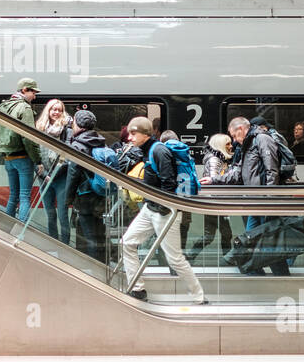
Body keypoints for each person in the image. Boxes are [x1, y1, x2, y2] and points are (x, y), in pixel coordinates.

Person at [118, 117, 206, 304]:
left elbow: (169, 182)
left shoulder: (158, 151)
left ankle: (199, 296)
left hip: (164, 211)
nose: (129, 138)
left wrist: (163, 208)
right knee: (127, 242)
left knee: (175, 259)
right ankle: (137, 288)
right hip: (151, 208)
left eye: (134, 134)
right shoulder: (147, 150)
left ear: (145, 134)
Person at [64, 109, 110, 264]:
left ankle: (94, 267)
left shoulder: (78, 145)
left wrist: (68, 197)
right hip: (99, 193)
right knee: (99, 231)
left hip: (84, 195)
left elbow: (73, 173)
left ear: (79, 125)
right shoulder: (100, 141)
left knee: (88, 234)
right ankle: (103, 263)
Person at [0, 78, 41, 222]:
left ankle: (8, 227)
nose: (35, 96)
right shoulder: (25, 108)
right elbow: (28, 137)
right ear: (24, 90)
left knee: (13, 195)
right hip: (23, 158)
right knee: (25, 196)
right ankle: (21, 233)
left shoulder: (3, 106)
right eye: (33, 92)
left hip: (8, 157)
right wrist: (37, 159)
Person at [186, 132, 234, 257]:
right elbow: (214, 180)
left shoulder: (218, 159)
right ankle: (227, 258)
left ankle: (192, 256)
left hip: (214, 202)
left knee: (213, 234)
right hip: (214, 202)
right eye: (227, 143)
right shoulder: (215, 160)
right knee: (220, 234)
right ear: (220, 145)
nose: (231, 146)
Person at [35, 98, 73, 244]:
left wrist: (54, 174)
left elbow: (69, 155)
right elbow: (34, 153)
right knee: (50, 213)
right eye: (53, 109)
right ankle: (53, 242)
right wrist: (44, 175)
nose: (56, 112)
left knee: (63, 214)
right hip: (43, 177)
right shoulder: (39, 128)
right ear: (48, 111)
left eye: (59, 110)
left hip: (60, 177)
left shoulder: (66, 130)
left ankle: (65, 245)